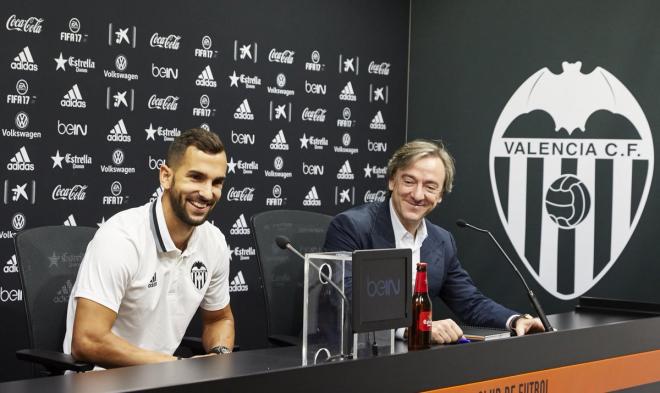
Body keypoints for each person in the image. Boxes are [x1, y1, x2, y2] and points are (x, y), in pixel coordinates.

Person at [324, 139, 544, 344]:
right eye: (409, 181)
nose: (418, 195)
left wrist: (514, 320)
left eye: (430, 187)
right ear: (392, 180)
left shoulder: (441, 240)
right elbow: (344, 296)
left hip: (412, 357)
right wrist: (412, 328)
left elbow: (470, 302)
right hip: (353, 351)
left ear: (440, 195)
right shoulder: (352, 226)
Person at [63, 128, 235, 368]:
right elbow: (87, 339)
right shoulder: (121, 238)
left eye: (217, 182)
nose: (207, 193)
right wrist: (176, 366)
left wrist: (218, 354)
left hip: (166, 380)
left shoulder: (214, 241)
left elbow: (219, 319)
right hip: (100, 382)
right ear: (166, 176)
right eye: (196, 177)